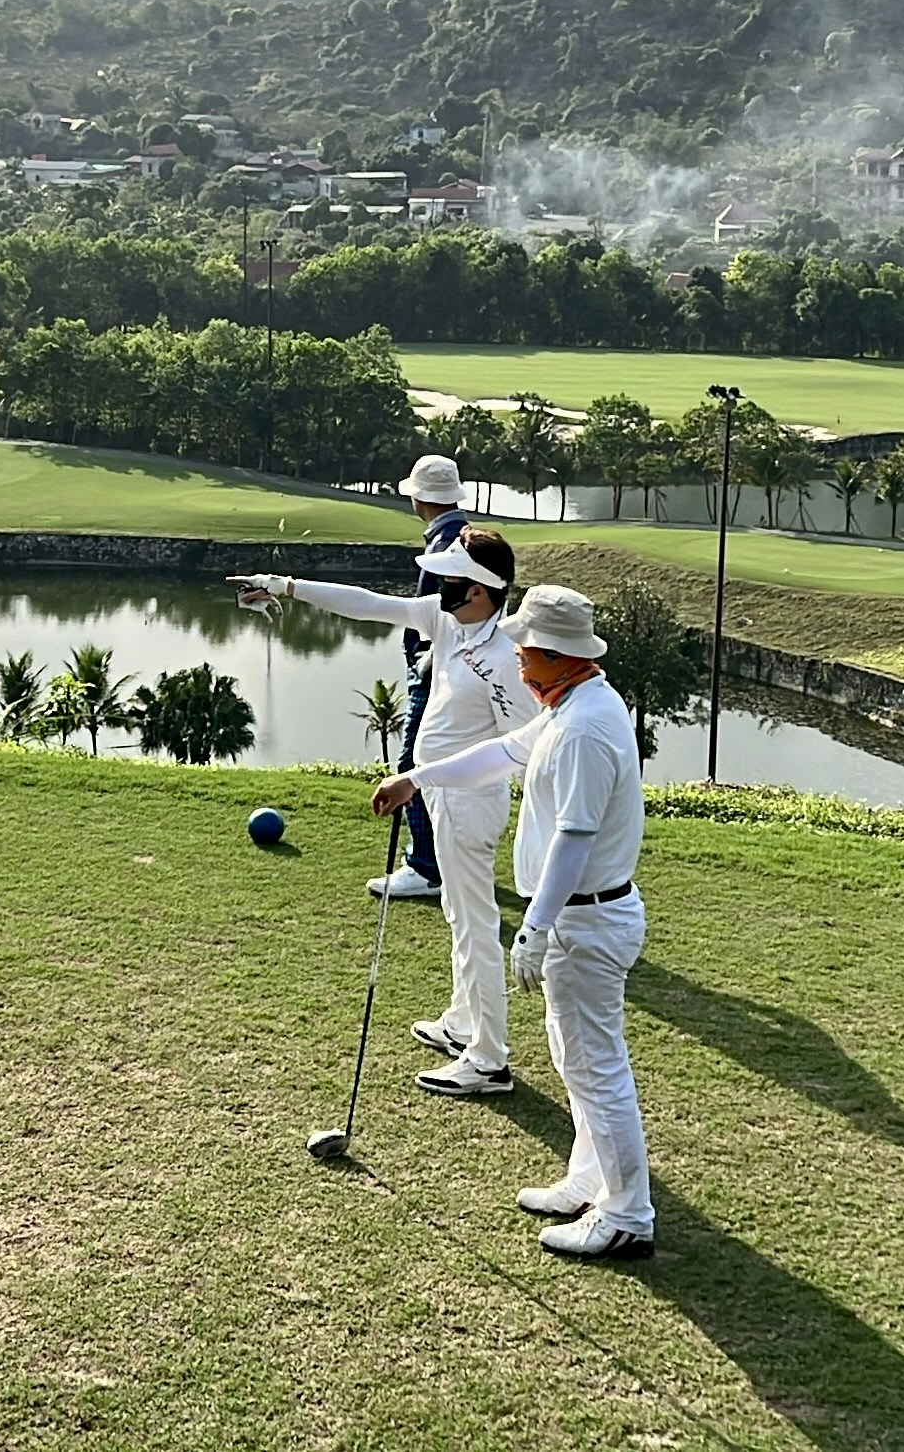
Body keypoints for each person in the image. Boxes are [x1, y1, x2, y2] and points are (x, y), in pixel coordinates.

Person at [373, 585, 653, 1259]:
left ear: (560, 657)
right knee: (575, 1058)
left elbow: (575, 837)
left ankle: (627, 1214)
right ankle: (590, 1178)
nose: (519, 662)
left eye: (528, 652)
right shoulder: (570, 705)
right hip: (578, 918)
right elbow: (500, 755)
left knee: (596, 1067)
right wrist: (418, 776)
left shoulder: (584, 727)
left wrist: (534, 926)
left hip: (586, 921)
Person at [235, 526, 530, 1099]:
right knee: (458, 916)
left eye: (450, 576)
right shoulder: (447, 622)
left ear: (478, 589)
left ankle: (489, 1058)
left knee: (476, 926)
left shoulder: (504, 658)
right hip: (440, 795)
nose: (439, 582)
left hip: (470, 802)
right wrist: (284, 586)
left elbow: (516, 748)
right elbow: (367, 605)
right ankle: (463, 1021)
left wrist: (424, 777)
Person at [370, 452, 472, 903]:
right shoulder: (459, 535)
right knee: (441, 766)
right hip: (450, 670)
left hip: (435, 673)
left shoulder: (445, 544)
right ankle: (446, 861)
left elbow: (439, 617)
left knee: (414, 764)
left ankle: (426, 867)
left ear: (419, 498)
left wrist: (422, 665)